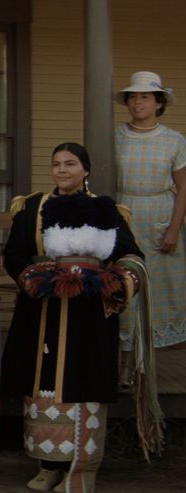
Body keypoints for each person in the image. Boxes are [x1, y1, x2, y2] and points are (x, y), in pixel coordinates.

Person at [2, 142, 149, 493]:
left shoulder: (105, 209)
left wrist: (115, 282)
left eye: (70, 164)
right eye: (56, 164)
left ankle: (80, 465)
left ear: (86, 170)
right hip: (43, 311)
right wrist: (37, 279)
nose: (62, 170)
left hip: (88, 316)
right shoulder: (33, 207)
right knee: (43, 383)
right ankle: (46, 465)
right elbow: (15, 254)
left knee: (81, 381)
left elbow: (130, 255)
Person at [114, 71, 186, 348]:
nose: (137, 103)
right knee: (124, 282)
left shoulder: (175, 140)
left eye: (145, 97)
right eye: (133, 97)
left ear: (159, 103)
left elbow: (183, 188)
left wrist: (174, 229)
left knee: (158, 290)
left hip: (160, 217)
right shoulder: (115, 137)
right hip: (125, 213)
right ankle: (125, 361)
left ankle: (150, 366)